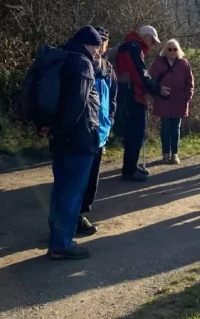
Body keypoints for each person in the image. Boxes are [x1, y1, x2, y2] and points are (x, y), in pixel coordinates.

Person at [45, 26, 103, 260]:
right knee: (73, 191)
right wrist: (65, 130)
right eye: (96, 47)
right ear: (87, 45)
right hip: (78, 138)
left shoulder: (62, 57)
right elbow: (77, 103)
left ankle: (56, 235)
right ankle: (62, 243)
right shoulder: (82, 64)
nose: (98, 52)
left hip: (59, 137)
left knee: (61, 188)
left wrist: (53, 129)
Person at [114, 25, 169, 182]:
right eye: (152, 40)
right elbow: (140, 74)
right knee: (135, 133)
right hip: (132, 96)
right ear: (146, 37)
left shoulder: (129, 46)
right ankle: (129, 170)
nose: (152, 44)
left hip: (129, 94)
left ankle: (130, 165)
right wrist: (157, 89)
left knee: (133, 133)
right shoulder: (133, 47)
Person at [78, 27, 117, 238]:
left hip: (101, 132)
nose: (99, 47)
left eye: (103, 42)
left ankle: (81, 213)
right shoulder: (83, 64)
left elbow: (113, 97)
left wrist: (109, 121)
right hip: (84, 131)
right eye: (97, 42)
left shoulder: (108, 68)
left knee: (92, 179)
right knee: (79, 178)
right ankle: (75, 218)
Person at [149, 39, 195, 164]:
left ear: (178, 50)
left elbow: (190, 82)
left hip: (179, 101)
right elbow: (150, 81)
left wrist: (187, 96)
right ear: (165, 50)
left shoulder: (184, 63)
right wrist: (158, 93)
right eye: (169, 49)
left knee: (176, 128)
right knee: (165, 128)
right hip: (163, 101)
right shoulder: (158, 63)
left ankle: (174, 154)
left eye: (175, 49)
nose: (172, 51)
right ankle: (165, 153)